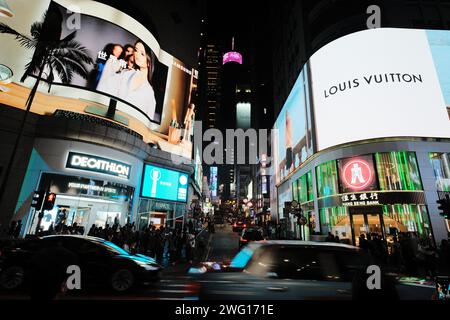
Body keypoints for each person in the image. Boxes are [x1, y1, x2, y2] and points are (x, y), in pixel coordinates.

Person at [97, 40, 157, 121]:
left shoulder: (149, 93)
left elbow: (148, 121)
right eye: (136, 50)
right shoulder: (124, 74)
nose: (137, 55)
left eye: (142, 53)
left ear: (149, 62)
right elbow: (104, 87)